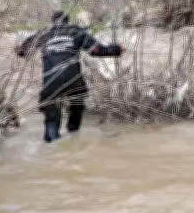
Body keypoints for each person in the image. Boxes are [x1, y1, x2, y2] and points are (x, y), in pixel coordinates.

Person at [16, 11, 125, 142]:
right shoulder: (76, 31)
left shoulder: (44, 33)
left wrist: (19, 48)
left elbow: (23, 52)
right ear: (67, 21)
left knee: (51, 120)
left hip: (51, 82)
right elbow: (97, 50)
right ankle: (73, 135)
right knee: (77, 106)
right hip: (73, 80)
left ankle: (52, 146)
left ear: (53, 22)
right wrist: (118, 48)